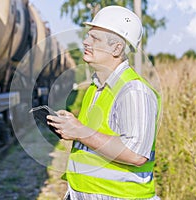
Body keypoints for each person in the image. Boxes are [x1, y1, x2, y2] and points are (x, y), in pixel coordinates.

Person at [47, 5, 161, 200]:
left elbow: (136, 154)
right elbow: (95, 136)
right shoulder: (96, 87)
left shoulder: (133, 91)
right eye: (87, 36)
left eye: (95, 38)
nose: (85, 41)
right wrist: (73, 126)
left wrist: (80, 131)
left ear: (116, 48)